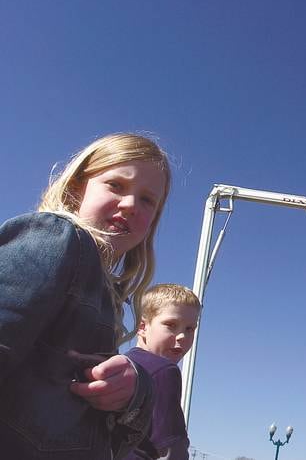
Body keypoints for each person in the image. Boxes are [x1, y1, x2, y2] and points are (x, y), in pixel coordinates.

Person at [0, 133, 172, 459]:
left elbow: (116, 443)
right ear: (79, 187)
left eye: (148, 200)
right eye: (116, 185)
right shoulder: (57, 237)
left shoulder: (109, 297)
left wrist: (134, 391)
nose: (131, 204)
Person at [123, 284, 200, 460]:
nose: (182, 336)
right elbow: (171, 449)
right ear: (142, 326)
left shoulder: (121, 365)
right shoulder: (164, 371)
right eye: (171, 325)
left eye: (190, 329)